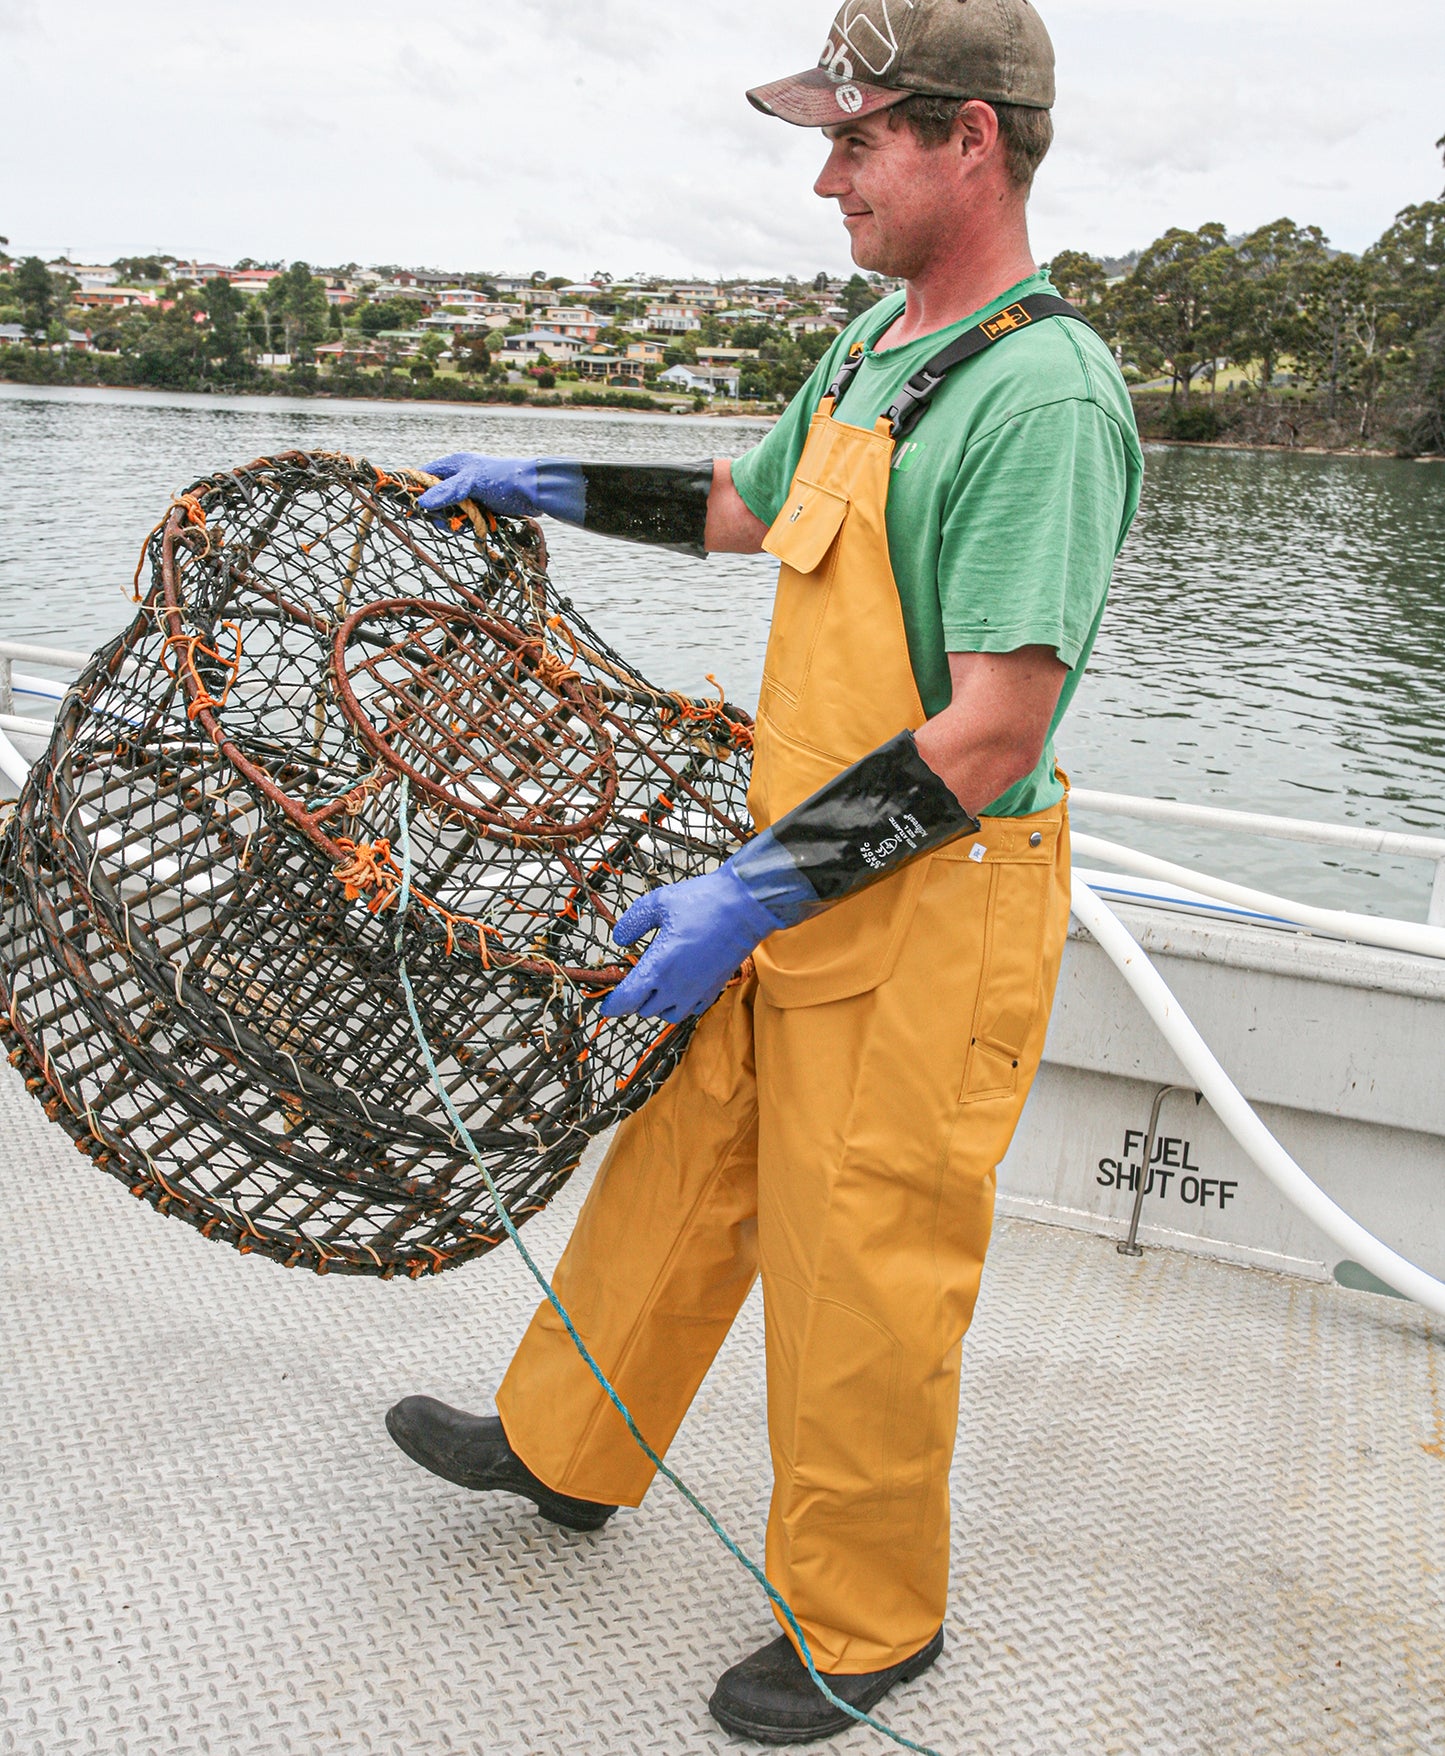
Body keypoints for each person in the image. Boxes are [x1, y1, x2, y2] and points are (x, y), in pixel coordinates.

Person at [386, 0, 1144, 1740]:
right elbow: (749, 503)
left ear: (969, 138)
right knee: (682, 1168)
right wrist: (548, 483)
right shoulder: (881, 344)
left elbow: (991, 735)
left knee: (860, 1261)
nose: (825, 180)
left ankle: (866, 1624)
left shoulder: (1042, 397)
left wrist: (744, 893)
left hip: (926, 909)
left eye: (856, 140)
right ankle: (565, 1448)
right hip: (798, 865)